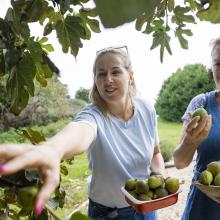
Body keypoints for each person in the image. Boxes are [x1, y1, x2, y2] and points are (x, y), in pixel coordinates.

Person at [0, 46, 164, 220]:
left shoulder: (147, 109)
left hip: (146, 206)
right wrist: (53, 149)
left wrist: (159, 177)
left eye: (115, 72)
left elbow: (155, 153)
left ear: (130, 76)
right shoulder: (93, 115)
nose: (108, 79)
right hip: (108, 214)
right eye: (101, 74)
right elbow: (80, 130)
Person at [173, 38, 220, 220]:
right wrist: (190, 141)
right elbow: (179, 162)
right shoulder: (201, 103)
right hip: (202, 210)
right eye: (218, 63)